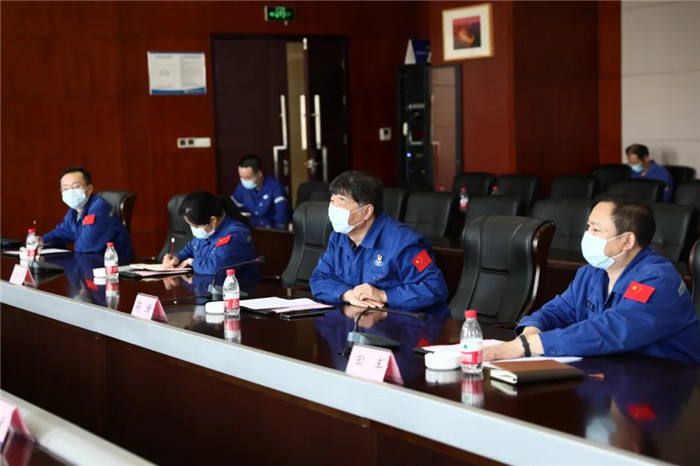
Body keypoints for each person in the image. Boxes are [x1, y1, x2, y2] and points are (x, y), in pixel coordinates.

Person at [483, 194, 700, 365]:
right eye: (588, 227)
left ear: (627, 241)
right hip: (613, 373)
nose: (587, 235)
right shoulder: (592, 272)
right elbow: (558, 311)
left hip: (667, 383)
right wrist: (531, 332)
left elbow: (611, 330)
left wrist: (527, 346)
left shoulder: (657, 280)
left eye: (596, 229)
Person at [309, 170, 448, 314]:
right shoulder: (339, 237)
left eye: (341, 202)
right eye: (332, 201)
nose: (333, 209)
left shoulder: (405, 243)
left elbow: (435, 287)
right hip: (359, 319)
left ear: (367, 212)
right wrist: (348, 294)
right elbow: (319, 278)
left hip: (405, 323)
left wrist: (384, 295)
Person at [162, 191, 260, 282]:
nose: (193, 229)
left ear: (213, 220)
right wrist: (176, 258)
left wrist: (192, 263)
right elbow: (190, 249)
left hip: (237, 290)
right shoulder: (206, 230)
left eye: (196, 226)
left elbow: (216, 267)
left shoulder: (236, 233)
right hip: (205, 287)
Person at [41, 167, 134, 261]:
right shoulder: (74, 212)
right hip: (92, 263)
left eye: (76, 186)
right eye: (66, 188)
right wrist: (41, 241)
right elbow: (62, 233)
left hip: (115, 266)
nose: (71, 192)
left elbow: (86, 246)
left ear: (89, 189)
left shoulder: (100, 208)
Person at [231, 154, 290, 229]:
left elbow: (281, 217)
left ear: (259, 174)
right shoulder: (241, 188)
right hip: (250, 229)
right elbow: (231, 208)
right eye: (241, 177)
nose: (244, 181)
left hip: (272, 230)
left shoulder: (275, 186)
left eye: (247, 177)